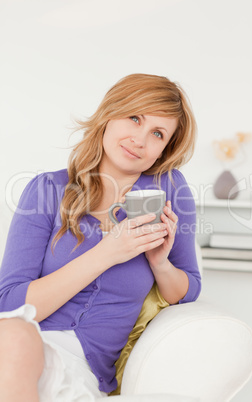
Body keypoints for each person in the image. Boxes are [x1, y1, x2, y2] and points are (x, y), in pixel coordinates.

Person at [0, 73, 201, 401]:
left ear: (165, 149)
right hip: (14, 345)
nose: (140, 139)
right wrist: (109, 251)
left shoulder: (168, 189)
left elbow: (188, 289)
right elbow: (9, 304)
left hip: (74, 364)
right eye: (134, 118)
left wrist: (161, 264)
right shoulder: (46, 191)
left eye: (157, 134)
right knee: (14, 334)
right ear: (110, 113)